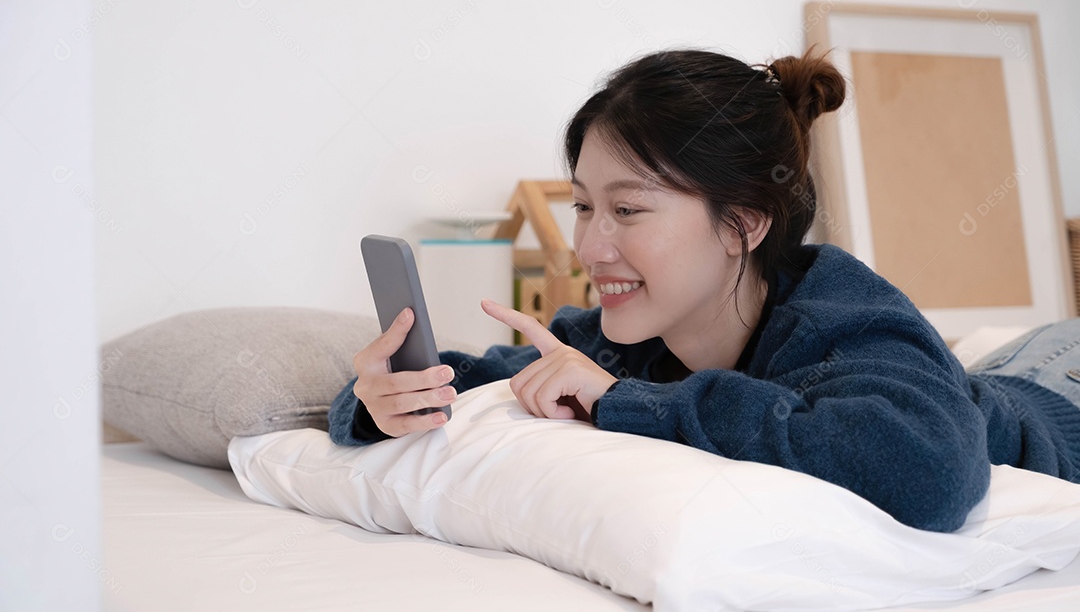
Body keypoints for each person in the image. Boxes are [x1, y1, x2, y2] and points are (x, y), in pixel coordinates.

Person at [329, 47, 1080, 533]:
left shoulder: (840, 317)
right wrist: (377, 401)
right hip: (991, 377)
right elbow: (487, 376)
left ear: (743, 224)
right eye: (584, 206)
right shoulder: (620, 333)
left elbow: (929, 474)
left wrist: (620, 402)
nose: (590, 246)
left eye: (627, 210)